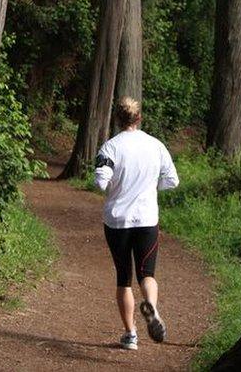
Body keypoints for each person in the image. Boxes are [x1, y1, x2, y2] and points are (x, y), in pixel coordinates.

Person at [94, 96, 179, 351]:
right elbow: (172, 180)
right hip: (147, 218)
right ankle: (151, 306)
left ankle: (130, 335)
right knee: (147, 273)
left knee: (124, 277)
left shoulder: (110, 148)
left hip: (117, 220)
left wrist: (113, 189)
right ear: (139, 118)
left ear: (117, 119)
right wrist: (152, 187)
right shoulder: (156, 146)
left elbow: (100, 181)